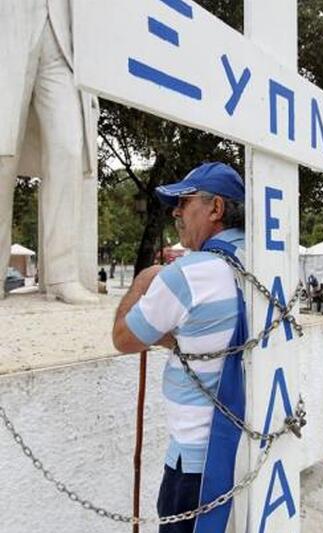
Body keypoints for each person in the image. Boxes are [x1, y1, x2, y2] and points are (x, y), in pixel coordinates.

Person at [113, 162, 247, 532]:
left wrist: (143, 283)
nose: (175, 213)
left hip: (197, 460)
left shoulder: (188, 274)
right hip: (248, 446)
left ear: (215, 208)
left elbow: (124, 337)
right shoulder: (264, 261)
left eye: (184, 202)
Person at [0, 0, 98, 304]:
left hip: (61, 35)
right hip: (9, 22)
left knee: (68, 150)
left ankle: (62, 275)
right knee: (2, 158)